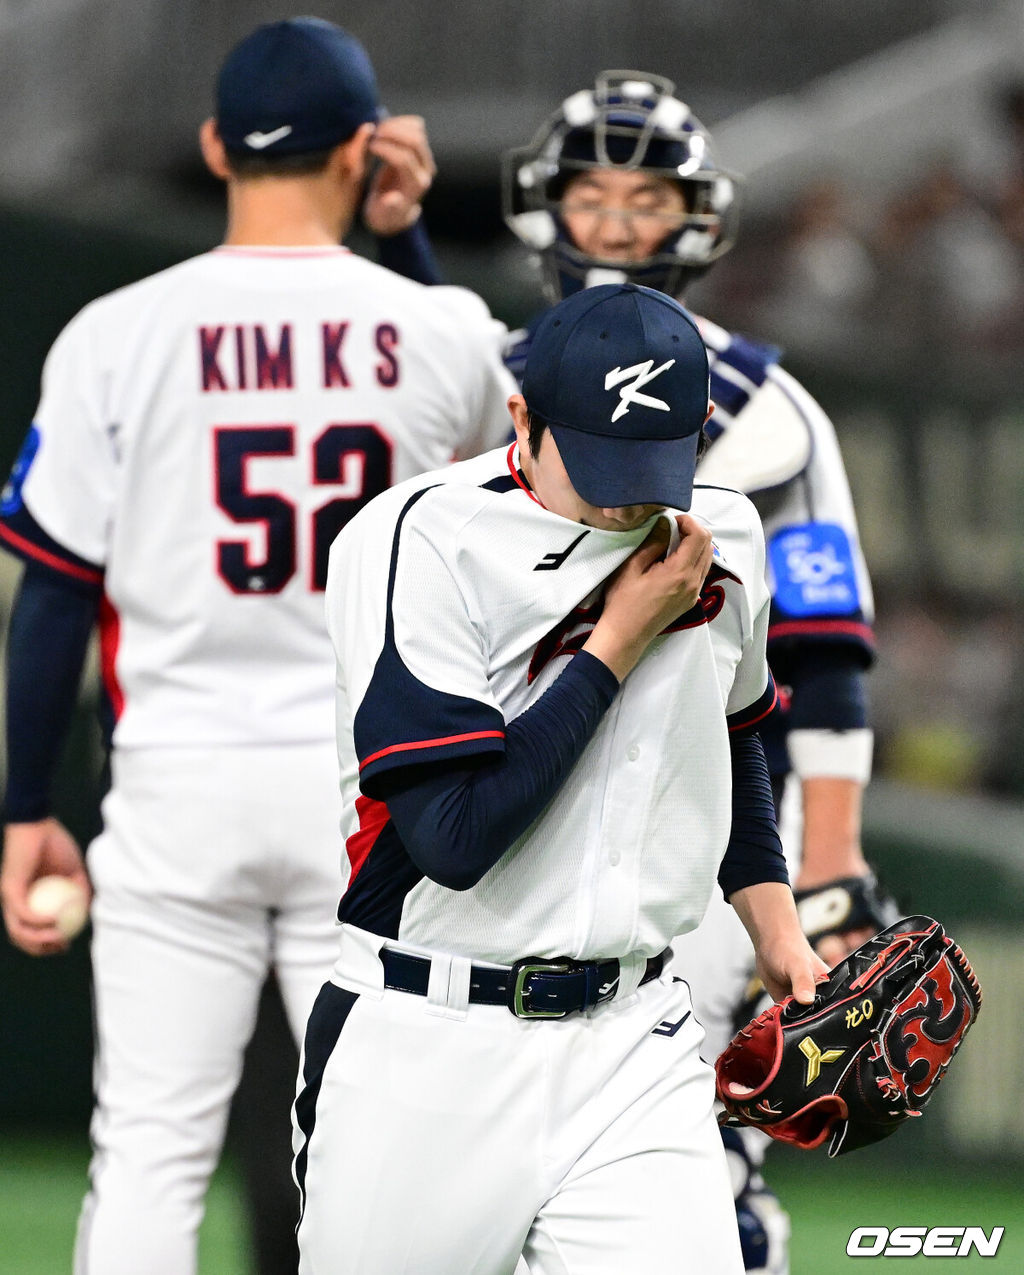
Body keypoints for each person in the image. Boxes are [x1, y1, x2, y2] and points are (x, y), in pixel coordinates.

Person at [0, 18, 515, 1275]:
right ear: (365, 149)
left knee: (148, 1154)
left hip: (177, 787)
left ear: (215, 146)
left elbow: (55, 594)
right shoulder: (441, 327)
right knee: (371, 1156)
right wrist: (403, 232)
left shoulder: (112, 333)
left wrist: (22, 805)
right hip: (369, 798)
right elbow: (491, 507)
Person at [295, 281, 827, 1275]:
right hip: (429, 1044)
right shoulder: (416, 541)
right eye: (597, 463)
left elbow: (735, 732)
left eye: (652, 465)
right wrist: (617, 642)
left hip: (636, 1041)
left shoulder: (724, 537)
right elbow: (452, 839)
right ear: (522, 420)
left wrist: (778, 933)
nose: (626, 496)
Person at [501, 71, 882, 1273]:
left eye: (644, 195)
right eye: (591, 193)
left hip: (713, 821)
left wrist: (828, 848)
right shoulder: (480, 372)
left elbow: (827, 652)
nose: (615, 224)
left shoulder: (772, 407)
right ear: (546, 208)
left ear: (694, 215)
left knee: (705, 1142)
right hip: (512, 810)